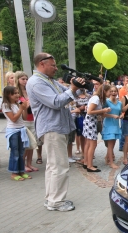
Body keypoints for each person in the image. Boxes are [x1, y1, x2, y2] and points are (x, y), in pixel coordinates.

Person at [26, 53, 84, 211]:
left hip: (57, 127)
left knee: (53, 166)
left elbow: (69, 94)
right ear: (42, 64)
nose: (56, 68)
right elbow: (56, 102)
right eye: (53, 65)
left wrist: (79, 87)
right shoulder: (36, 82)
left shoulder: (49, 81)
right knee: (59, 165)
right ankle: (57, 202)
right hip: (52, 128)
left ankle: (51, 199)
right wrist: (73, 89)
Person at [2, 86, 32, 181]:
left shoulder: (18, 104)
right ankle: (14, 172)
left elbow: (24, 117)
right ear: (8, 95)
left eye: (17, 93)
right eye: (14, 93)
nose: (17, 95)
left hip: (21, 129)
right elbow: (14, 119)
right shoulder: (6, 105)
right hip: (13, 131)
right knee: (15, 152)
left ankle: (21, 171)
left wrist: (25, 108)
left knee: (21, 152)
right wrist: (20, 109)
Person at [15, 71, 39, 173]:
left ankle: (29, 163)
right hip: (23, 120)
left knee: (32, 144)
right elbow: (18, 102)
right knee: (25, 144)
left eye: (26, 79)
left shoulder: (29, 91)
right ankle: (22, 164)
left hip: (33, 119)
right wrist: (25, 104)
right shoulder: (16, 92)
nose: (25, 81)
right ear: (18, 80)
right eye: (23, 79)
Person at [84, 84, 111, 171]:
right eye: (109, 91)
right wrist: (103, 110)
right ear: (104, 91)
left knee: (88, 144)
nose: (110, 93)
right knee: (92, 144)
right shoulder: (96, 98)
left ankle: (87, 163)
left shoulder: (99, 99)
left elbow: (98, 112)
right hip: (90, 122)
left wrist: (108, 113)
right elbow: (89, 111)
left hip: (91, 121)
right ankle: (90, 166)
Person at [102, 86, 122, 169]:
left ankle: (107, 157)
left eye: (115, 91)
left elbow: (121, 112)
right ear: (109, 92)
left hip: (116, 125)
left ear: (117, 92)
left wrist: (121, 116)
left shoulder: (119, 103)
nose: (113, 93)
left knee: (113, 144)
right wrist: (112, 115)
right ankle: (111, 162)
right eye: (112, 91)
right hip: (109, 125)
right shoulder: (106, 102)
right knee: (110, 145)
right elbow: (102, 114)